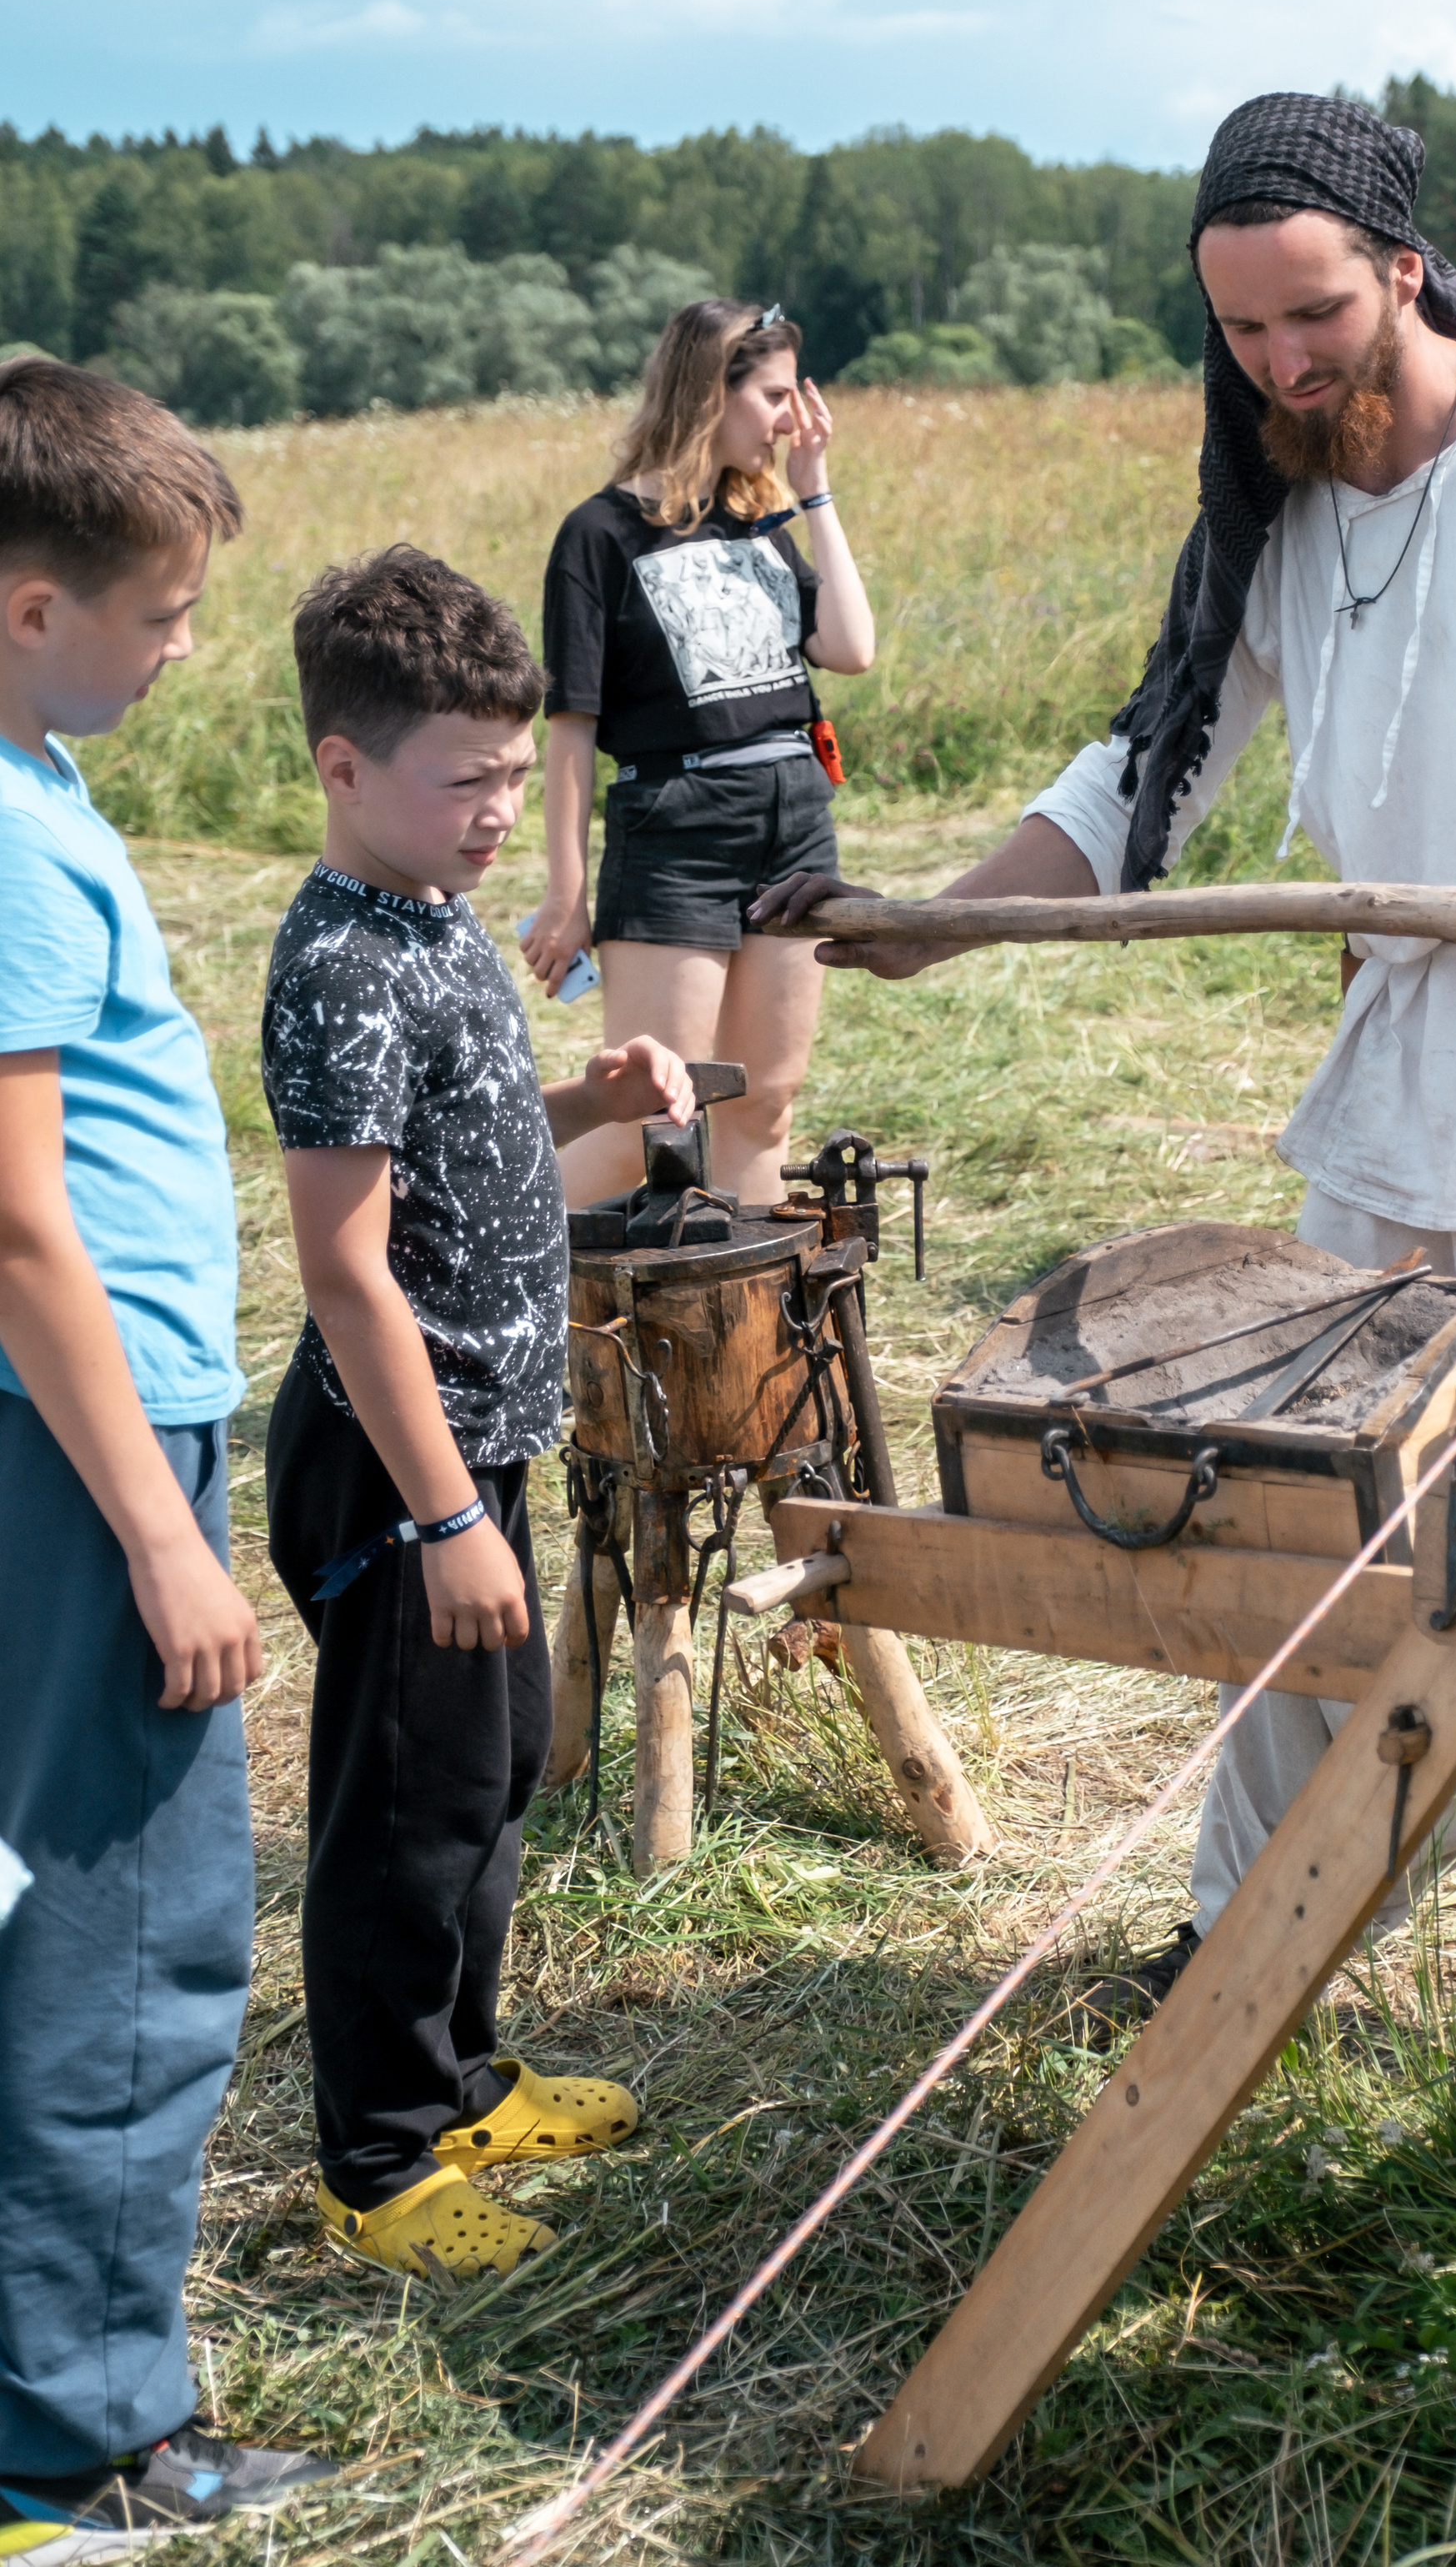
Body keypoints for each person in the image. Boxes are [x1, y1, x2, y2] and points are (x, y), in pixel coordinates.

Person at [758, 93, 1456, 2157]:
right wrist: (926, 927)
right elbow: (1140, 777)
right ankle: (1234, 1947)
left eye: (1313, 314)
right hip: (1395, 1112)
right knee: (1311, 1535)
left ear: (1399, 266)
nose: (1283, 361)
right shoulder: (1276, 511)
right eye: (1243, 330)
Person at [262, 549, 696, 2284]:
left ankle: (456, 2084)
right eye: (466, 781)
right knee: (401, 1812)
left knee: (492, 1769)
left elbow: (469, 1117)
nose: (501, 811)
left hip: (469, 1450)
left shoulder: (431, 919)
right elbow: (348, 1270)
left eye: (517, 776)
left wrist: (589, 1090)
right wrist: (444, 1517)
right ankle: (375, 2165)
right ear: (345, 769)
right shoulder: (338, 964)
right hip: (394, 1463)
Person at [0, 361, 333, 2544]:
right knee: (131, 1932)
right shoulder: (12, 832)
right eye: (163, 611)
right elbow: (23, 1217)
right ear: (31, 607)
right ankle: (82, 2441)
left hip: (70, 1438)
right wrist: (163, 1535)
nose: (185, 642)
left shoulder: (29, 780)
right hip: (85, 1446)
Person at [524, 301, 875, 1207]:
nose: (792, 417)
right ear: (705, 392)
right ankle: (482, 1275)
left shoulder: (759, 525)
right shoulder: (598, 537)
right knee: (653, 1126)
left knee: (762, 1107)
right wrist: (567, 896)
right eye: (773, 396)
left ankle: (748, 1338)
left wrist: (815, 488)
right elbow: (569, 729)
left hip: (792, 823)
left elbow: (848, 647)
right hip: (673, 831)